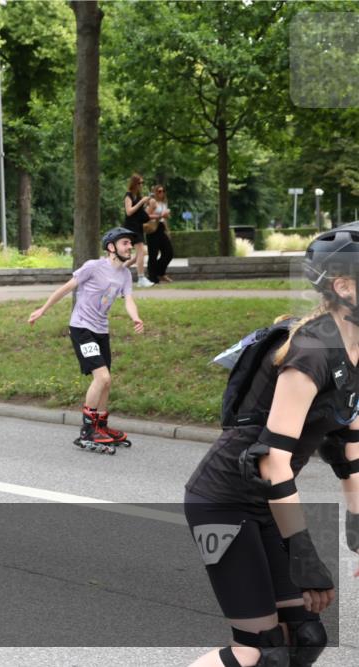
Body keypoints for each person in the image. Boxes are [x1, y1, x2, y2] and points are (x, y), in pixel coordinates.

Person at [184, 224, 359, 667]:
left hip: (266, 503)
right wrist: (304, 555)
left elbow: (349, 447)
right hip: (223, 501)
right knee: (262, 650)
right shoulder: (311, 353)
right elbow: (272, 461)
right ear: (345, 287)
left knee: (305, 638)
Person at [28, 227, 145, 454]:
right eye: (125, 243)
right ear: (111, 247)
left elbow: (128, 300)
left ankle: (101, 426)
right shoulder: (93, 266)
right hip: (82, 328)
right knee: (102, 377)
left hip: (101, 330)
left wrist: (135, 317)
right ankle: (88, 431)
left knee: (106, 381)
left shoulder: (124, 275)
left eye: (130, 243)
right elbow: (66, 288)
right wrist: (42, 309)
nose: (130, 247)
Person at [124, 173, 154, 288]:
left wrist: (147, 205)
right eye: (140, 183)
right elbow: (129, 212)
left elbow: (140, 213)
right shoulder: (128, 196)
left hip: (138, 227)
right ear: (134, 183)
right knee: (141, 252)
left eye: (142, 183)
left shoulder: (138, 196)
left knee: (139, 254)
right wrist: (141, 202)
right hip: (131, 227)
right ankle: (141, 278)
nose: (142, 185)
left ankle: (121, 268)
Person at [145, 185, 175, 284]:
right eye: (159, 191)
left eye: (163, 191)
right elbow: (146, 216)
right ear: (155, 192)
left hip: (161, 227)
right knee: (153, 254)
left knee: (169, 253)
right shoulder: (152, 202)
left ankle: (159, 273)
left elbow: (164, 219)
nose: (161, 193)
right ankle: (152, 277)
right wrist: (160, 215)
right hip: (153, 228)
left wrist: (167, 231)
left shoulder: (164, 203)